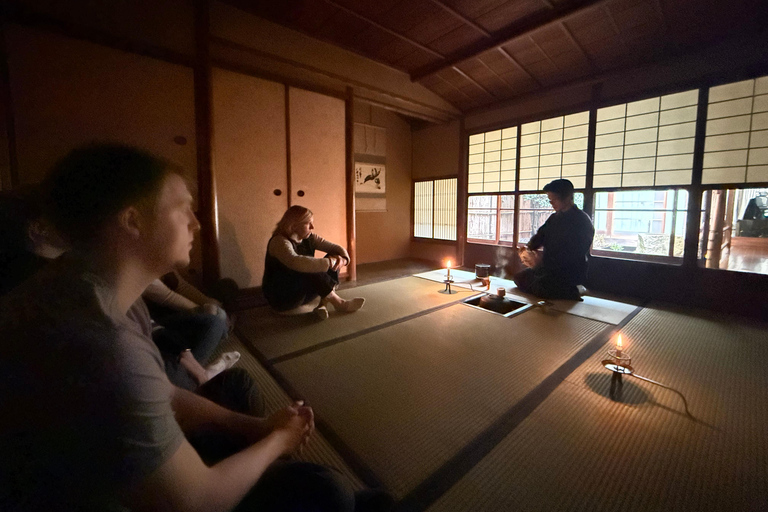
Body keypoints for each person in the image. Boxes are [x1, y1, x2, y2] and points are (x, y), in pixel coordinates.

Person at [0, 144, 385, 511]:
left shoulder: (92, 287)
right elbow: (196, 502)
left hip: (115, 459)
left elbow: (166, 391)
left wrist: (257, 428)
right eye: (182, 208)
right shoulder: (99, 341)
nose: (197, 223)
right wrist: (279, 440)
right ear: (132, 220)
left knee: (238, 387)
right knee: (328, 491)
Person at [262, 205, 364, 320]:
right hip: (283, 297)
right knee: (309, 265)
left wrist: (343, 259)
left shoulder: (309, 238)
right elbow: (296, 262)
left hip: (302, 292)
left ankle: (322, 304)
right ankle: (339, 303)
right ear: (294, 225)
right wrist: (329, 262)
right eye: (308, 223)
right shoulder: (279, 242)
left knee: (332, 256)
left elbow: (335, 248)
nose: (312, 227)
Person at [514, 178, 595, 301]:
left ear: (567, 198)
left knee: (542, 287)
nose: (551, 203)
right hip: (547, 269)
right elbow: (540, 236)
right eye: (550, 199)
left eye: (554, 199)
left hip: (569, 271)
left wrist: (540, 263)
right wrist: (528, 249)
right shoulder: (554, 218)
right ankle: (561, 290)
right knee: (519, 278)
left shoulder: (582, 221)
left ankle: (576, 289)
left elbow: (573, 254)